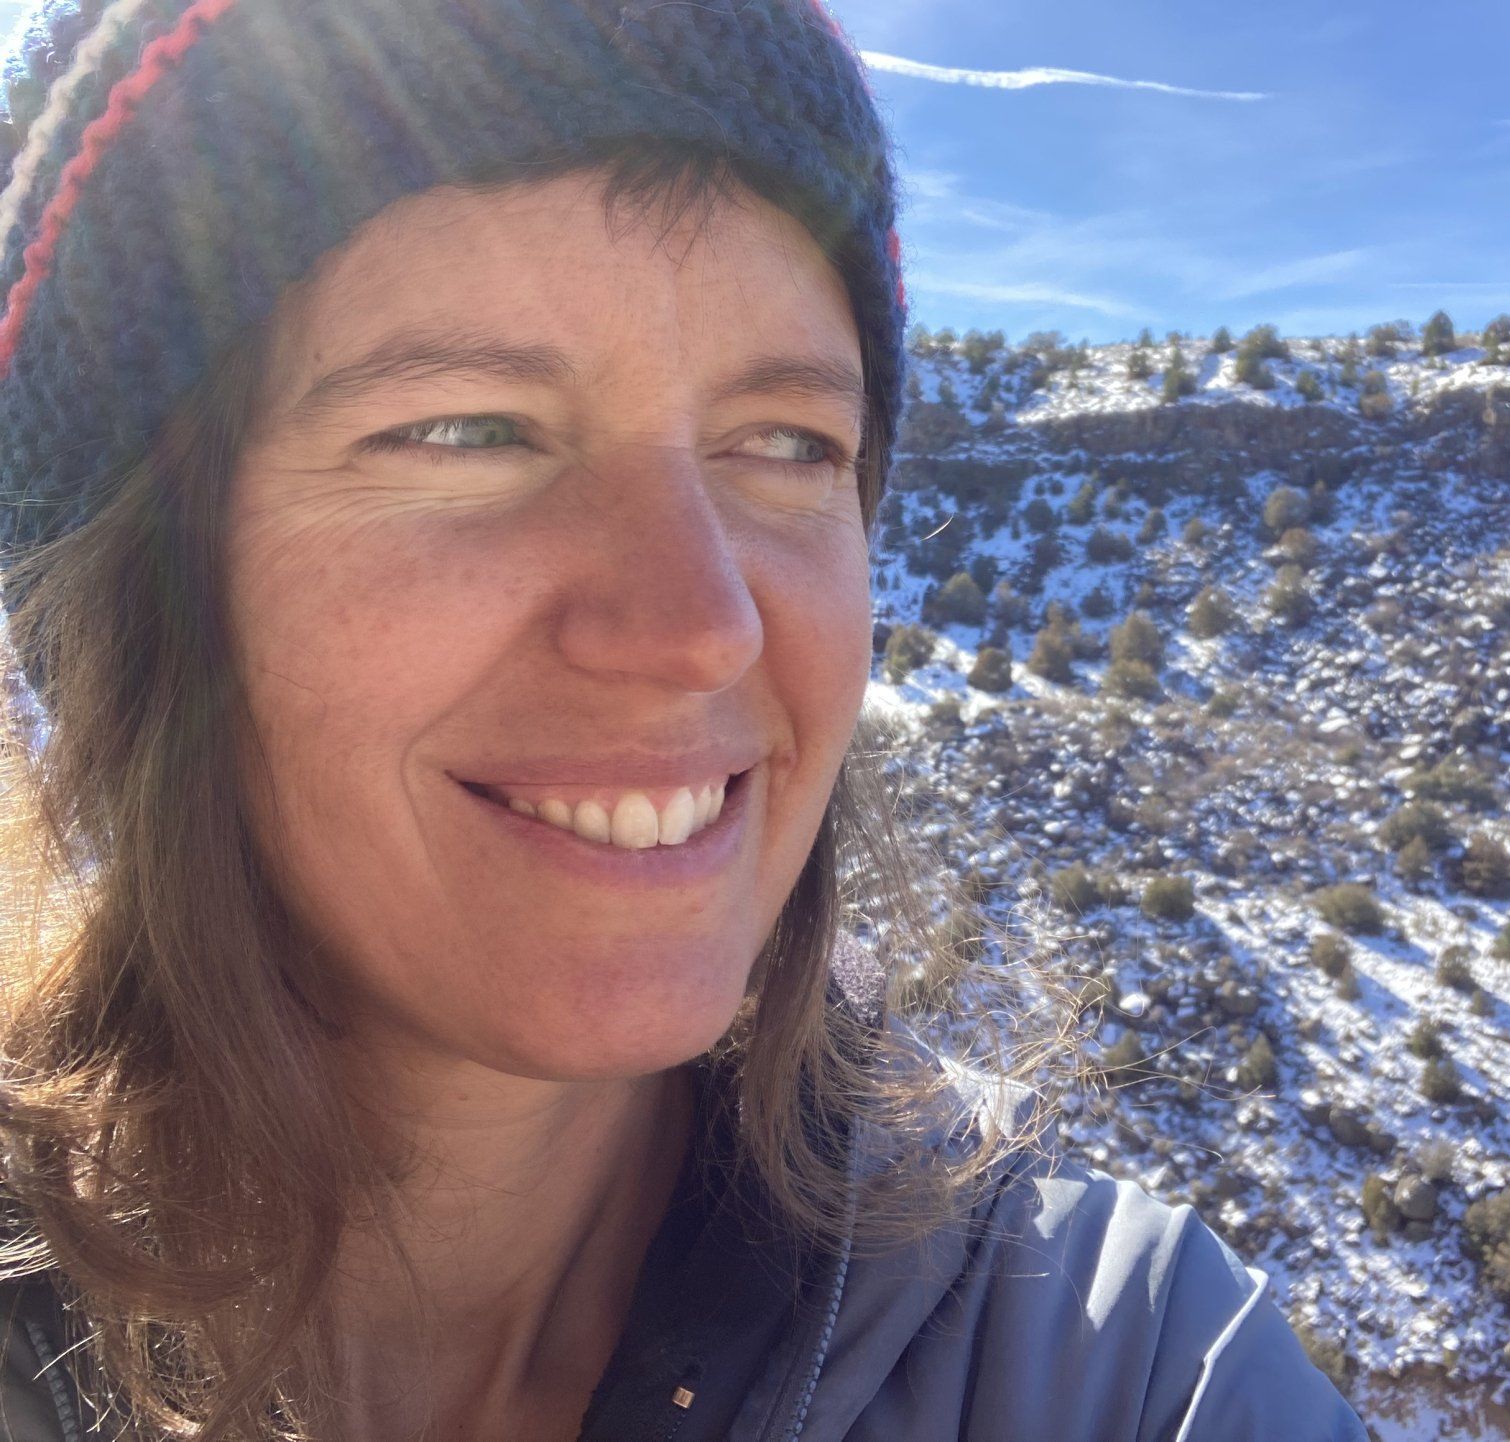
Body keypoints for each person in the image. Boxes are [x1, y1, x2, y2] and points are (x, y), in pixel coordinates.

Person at [0, 1, 1371, 1438]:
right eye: (468, 429)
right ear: (128, 597)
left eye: (786, 444)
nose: (703, 627)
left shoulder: (1120, 1364)